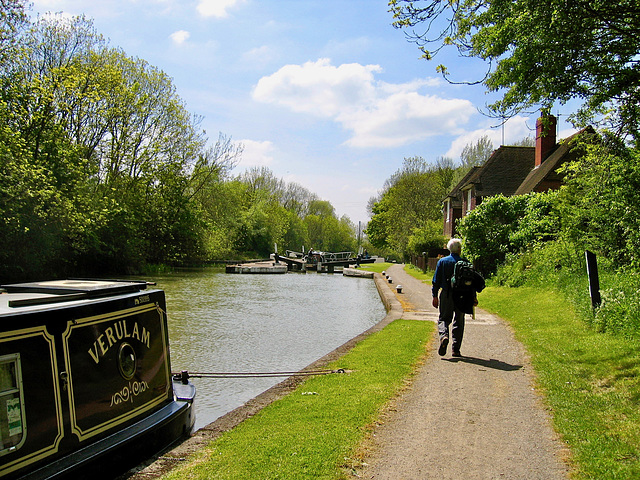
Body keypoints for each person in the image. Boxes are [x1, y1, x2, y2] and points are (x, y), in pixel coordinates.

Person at [431, 238, 477, 357]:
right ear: (459, 249)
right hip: (462, 295)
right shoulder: (465, 262)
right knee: (459, 321)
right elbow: (472, 282)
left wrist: (434, 295)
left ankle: (444, 336)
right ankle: (456, 349)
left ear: (449, 249)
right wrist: (474, 298)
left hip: (446, 294)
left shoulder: (442, 262)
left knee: (444, 319)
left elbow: (436, 280)